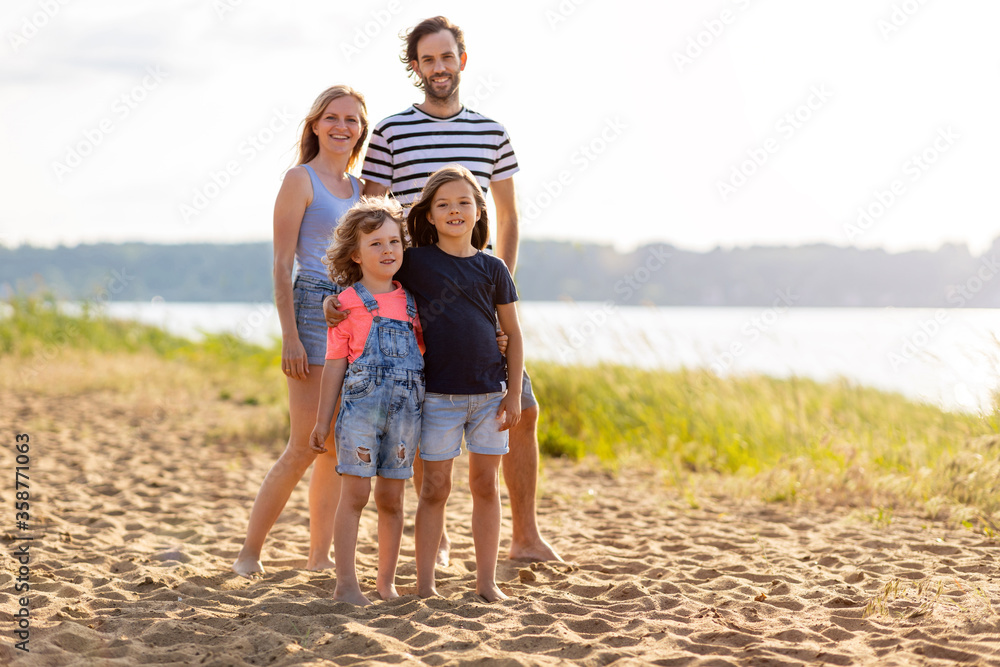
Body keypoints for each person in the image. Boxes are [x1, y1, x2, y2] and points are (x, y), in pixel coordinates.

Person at [326, 15, 560, 564]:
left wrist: (494, 294)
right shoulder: (389, 132)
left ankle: (524, 536)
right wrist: (351, 291)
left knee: (521, 408)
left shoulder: (492, 132)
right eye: (427, 60)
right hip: (411, 296)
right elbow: (371, 217)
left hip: (478, 294)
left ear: (462, 60)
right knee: (419, 409)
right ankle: (439, 532)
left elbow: (508, 218)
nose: (439, 68)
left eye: (446, 57)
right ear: (415, 67)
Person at [232, 85, 366, 578]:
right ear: (314, 125)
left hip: (351, 314)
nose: (341, 126)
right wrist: (289, 334)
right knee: (305, 443)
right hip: (308, 310)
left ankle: (318, 556)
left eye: (351, 119)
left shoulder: (360, 189)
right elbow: (281, 264)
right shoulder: (299, 179)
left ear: (361, 129)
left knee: (333, 445)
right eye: (331, 117)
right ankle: (249, 552)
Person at [400, 165, 523, 601]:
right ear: (429, 216)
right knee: (434, 488)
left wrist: (512, 394)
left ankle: (487, 583)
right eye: (443, 205)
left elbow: (514, 333)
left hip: (490, 396)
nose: (454, 210)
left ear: (478, 209)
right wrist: (331, 306)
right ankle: (425, 586)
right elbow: (370, 282)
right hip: (438, 397)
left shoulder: (493, 268)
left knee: (486, 486)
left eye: (463, 202)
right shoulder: (414, 262)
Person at [309, 196, 424, 606]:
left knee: (392, 500)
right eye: (375, 244)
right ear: (355, 254)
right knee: (355, 496)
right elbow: (335, 365)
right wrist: (323, 422)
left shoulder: (414, 302)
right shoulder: (344, 305)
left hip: (406, 415)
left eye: (394, 242)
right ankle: (345, 583)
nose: (387, 250)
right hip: (360, 414)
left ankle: (386, 583)